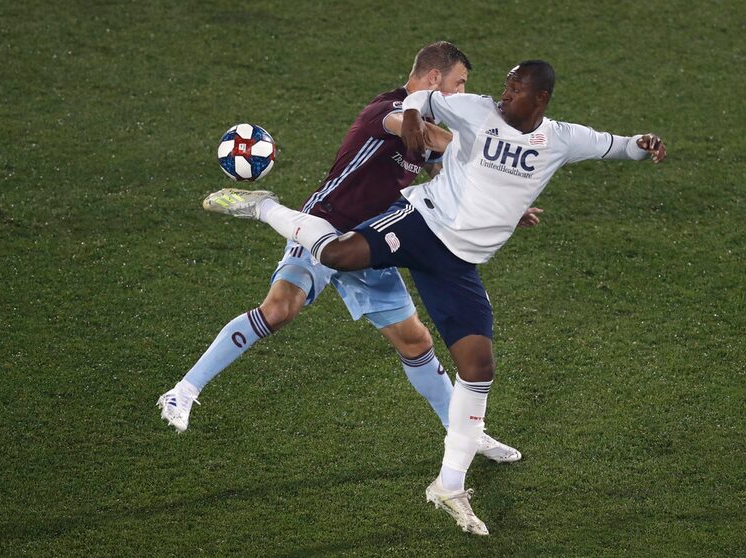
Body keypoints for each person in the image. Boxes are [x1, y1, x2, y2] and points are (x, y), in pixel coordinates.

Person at [204, 59, 667, 535]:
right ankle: (262, 206)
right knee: (340, 254)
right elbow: (424, 98)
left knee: (478, 366)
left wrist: (642, 145)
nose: (503, 95)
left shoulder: (562, 139)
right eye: (505, 87)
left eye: (515, 90)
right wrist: (408, 116)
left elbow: (617, 146)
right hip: (421, 223)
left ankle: (448, 486)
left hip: (458, 264)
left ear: (541, 98)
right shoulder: (477, 109)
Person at [157, 41, 524, 464]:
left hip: (367, 245)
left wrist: (505, 202)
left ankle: (466, 435)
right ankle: (182, 391)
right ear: (434, 79)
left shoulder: (423, 128)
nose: (461, 94)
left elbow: (449, 179)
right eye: (459, 84)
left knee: (414, 340)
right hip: (322, 227)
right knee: (280, 309)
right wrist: (475, 143)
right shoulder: (388, 111)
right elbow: (415, 132)